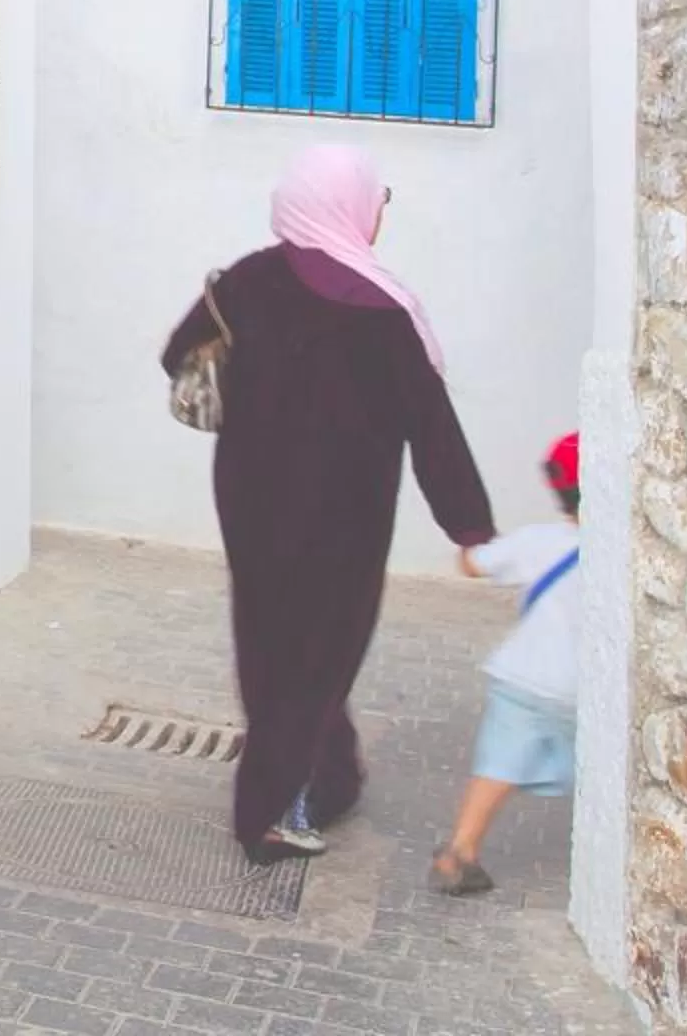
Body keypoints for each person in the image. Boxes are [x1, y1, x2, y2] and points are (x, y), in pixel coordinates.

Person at [160, 145, 496, 864]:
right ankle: (270, 813)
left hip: (250, 499)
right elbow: (431, 425)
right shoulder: (382, 308)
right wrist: (469, 526)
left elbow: (177, 351)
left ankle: (331, 773)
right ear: (354, 205)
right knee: (321, 651)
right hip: (344, 513)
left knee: (272, 638)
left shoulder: (247, 280)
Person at [430, 432, 584, 897]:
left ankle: (460, 851)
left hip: (519, 677)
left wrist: (469, 538)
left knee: (498, 766)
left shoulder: (539, 541)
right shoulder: (632, 553)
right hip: (580, 689)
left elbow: (473, 565)